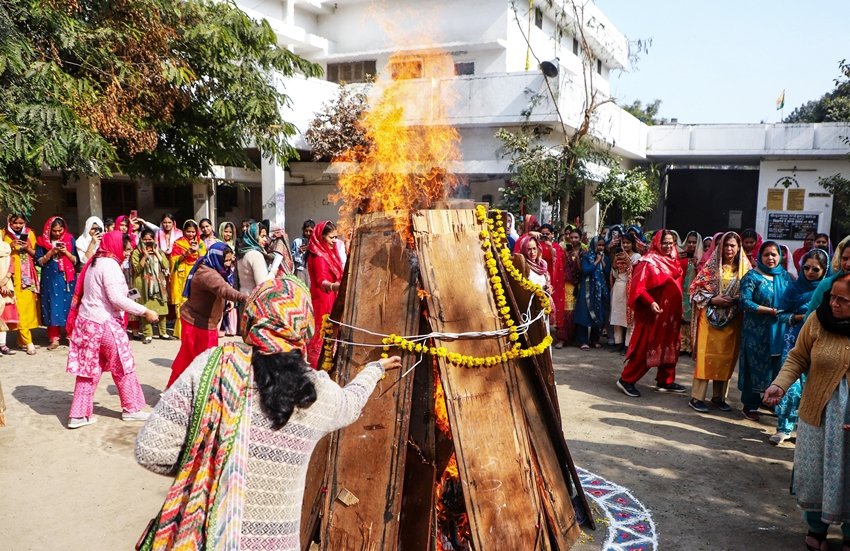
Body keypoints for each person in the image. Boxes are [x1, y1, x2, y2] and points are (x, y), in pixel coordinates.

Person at [135, 277, 402, 550]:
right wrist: (375, 371)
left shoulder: (212, 367)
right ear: (305, 325)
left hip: (206, 539)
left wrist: (210, 467)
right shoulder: (317, 392)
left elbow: (151, 451)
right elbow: (351, 403)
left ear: (250, 318)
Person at [763, 273, 850, 551]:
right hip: (818, 410)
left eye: (843, 300)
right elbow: (798, 356)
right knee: (815, 472)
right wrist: (780, 384)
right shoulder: (817, 320)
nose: (834, 304)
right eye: (832, 297)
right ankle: (816, 528)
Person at [65, 231, 160, 429]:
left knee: (88, 371)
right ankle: (132, 408)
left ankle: (78, 415)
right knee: (123, 365)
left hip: (86, 324)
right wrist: (145, 311)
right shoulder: (110, 265)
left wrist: (130, 298)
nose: (127, 253)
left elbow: (113, 295)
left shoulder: (95, 262)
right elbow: (116, 299)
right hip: (105, 323)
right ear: (115, 245)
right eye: (125, 249)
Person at [769, 248, 831, 444]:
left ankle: (804, 431)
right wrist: (799, 317)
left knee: (812, 389)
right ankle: (783, 427)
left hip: (820, 344)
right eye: (806, 268)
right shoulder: (794, 289)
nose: (810, 273)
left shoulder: (829, 290)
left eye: (816, 270)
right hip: (793, 342)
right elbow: (780, 314)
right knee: (790, 387)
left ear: (824, 270)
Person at [167, 243, 249, 387]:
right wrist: (245, 298)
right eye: (226, 260)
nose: (228, 264)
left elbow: (221, 291)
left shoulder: (210, 266)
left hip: (200, 321)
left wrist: (225, 303)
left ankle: (179, 389)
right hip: (197, 323)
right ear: (216, 257)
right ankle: (175, 389)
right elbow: (223, 289)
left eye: (230, 260)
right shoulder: (208, 274)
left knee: (194, 359)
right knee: (201, 361)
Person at [687, 232, 751, 413]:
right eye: (726, 245)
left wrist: (738, 299)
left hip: (733, 319)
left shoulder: (745, 270)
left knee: (726, 357)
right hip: (709, 319)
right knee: (706, 356)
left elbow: (751, 291)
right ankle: (697, 397)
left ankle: (719, 397)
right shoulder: (711, 268)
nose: (729, 249)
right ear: (720, 247)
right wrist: (713, 299)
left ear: (739, 248)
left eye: (733, 246)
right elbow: (694, 290)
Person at [617, 230, 685, 397]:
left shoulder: (673, 260)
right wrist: (651, 302)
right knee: (647, 347)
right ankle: (626, 379)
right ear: (656, 243)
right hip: (653, 314)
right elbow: (638, 288)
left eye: (671, 243)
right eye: (664, 243)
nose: (668, 246)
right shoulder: (648, 262)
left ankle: (665, 380)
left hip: (670, 314)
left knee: (671, 345)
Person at [738, 240, 793, 421]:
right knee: (755, 367)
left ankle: (770, 400)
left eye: (774, 254)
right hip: (756, 332)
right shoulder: (752, 276)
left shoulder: (785, 277)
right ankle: (750, 404)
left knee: (776, 367)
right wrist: (769, 311)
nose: (770, 258)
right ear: (760, 256)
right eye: (766, 254)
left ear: (780, 257)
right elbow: (744, 302)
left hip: (780, 331)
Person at [35, 216, 76, 350]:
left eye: (60, 230)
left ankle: (71, 335)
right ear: (49, 230)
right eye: (54, 231)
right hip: (50, 279)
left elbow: (76, 260)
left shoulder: (70, 239)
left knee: (69, 306)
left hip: (66, 279)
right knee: (52, 305)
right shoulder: (41, 242)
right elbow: (39, 261)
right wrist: (51, 252)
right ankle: (54, 338)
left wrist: (66, 252)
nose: (58, 233)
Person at [306, 221, 344, 368]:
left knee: (331, 332)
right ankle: (317, 367)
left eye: (336, 238)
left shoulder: (329, 253)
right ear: (321, 237)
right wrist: (335, 286)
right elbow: (322, 281)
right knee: (323, 332)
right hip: (324, 299)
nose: (334, 241)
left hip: (331, 297)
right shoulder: (319, 256)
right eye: (331, 238)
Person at [2, 214, 40, 354]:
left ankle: (21, 340)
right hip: (10, 277)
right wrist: (10, 247)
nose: (18, 226)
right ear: (10, 222)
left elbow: (36, 253)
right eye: (15, 223)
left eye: (21, 223)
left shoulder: (29, 233)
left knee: (27, 308)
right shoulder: (3, 234)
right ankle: (28, 341)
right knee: (18, 308)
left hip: (27, 276)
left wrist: (27, 247)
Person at [131, 229, 171, 343]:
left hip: (158, 283)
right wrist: (144, 256)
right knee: (146, 309)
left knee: (162, 307)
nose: (148, 242)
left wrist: (157, 253)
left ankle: (163, 333)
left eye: (150, 239)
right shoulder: (137, 252)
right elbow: (137, 269)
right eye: (145, 239)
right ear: (141, 240)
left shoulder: (158, 250)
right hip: (143, 285)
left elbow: (166, 265)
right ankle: (148, 334)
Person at [169, 220, 206, 339]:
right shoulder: (178, 243)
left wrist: (198, 251)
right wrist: (185, 254)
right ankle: (181, 332)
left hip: (196, 273)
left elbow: (205, 259)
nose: (190, 234)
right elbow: (173, 261)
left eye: (193, 232)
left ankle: (195, 329)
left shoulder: (201, 243)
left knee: (196, 302)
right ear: (184, 231)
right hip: (182, 275)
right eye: (188, 231)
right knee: (182, 302)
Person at [574, 236, 609, 351]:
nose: (600, 247)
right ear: (594, 245)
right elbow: (586, 270)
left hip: (600, 290)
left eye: (602, 245)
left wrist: (603, 261)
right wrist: (596, 261)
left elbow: (608, 272)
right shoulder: (587, 257)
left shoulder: (605, 257)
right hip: (587, 290)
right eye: (599, 245)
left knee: (598, 313)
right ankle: (583, 340)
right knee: (584, 313)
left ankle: (594, 340)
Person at [539, 224, 566, 348]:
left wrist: (551, 250)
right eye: (542, 234)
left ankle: (560, 338)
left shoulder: (556, 247)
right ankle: (541, 336)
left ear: (552, 234)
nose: (545, 236)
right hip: (541, 279)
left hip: (555, 280)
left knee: (558, 306)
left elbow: (559, 262)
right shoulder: (536, 246)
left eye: (547, 234)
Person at [679, 231, 704, 354]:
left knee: (692, 319)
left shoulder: (702, 259)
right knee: (682, 318)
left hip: (695, 293)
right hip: (682, 291)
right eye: (689, 242)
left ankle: (691, 346)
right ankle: (681, 345)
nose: (691, 244)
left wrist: (696, 265)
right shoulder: (682, 256)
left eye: (694, 242)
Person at [558, 228, 582, 347]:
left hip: (579, 286)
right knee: (566, 311)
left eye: (576, 237)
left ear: (580, 239)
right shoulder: (563, 250)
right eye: (571, 237)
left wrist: (577, 258)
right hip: (566, 285)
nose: (573, 240)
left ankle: (575, 338)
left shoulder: (585, 251)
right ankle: (563, 339)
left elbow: (583, 269)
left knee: (576, 312)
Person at [237, 221, 272, 295]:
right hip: (254, 300)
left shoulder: (242, 253)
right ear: (254, 236)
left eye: (265, 236)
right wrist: (273, 272)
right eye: (262, 236)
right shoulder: (255, 255)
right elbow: (262, 285)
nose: (265, 239)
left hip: (243, 298)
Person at [218, 221, 239, 337]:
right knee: (221, 299)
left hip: (232, 274)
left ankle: (230, 328)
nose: (228, 234)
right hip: (222, 273)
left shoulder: (234, 245)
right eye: (225, 231)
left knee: (231, 298)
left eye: (230, 232)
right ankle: (219, 327)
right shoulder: (217, 244)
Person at [609, 247, 632, 354]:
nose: (626, 245)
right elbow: (614, 275)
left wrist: (628, 261)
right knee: (616, 316)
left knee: (629, 319)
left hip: (630, 289)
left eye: (628, 243)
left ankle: (628, 345)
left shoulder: (636, 257)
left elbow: (634, 273)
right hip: (617, 288)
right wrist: (614, 262)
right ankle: (618, 343)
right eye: (624, 243)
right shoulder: (617, 258)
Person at [0, 238, 16, 357]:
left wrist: (4, 282)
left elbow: (11, 267)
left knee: (3, 318)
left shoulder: (6, 249)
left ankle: (2, 345)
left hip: (6, 287)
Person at [291, 219, 315, 287]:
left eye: (310, 231)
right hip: (300, 270)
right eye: (306, 231)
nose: (308, 233)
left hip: (311, 271)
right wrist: (299, 252)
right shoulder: (297, 242)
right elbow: (291, 258)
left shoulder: (315, 243)